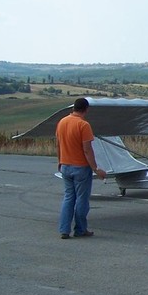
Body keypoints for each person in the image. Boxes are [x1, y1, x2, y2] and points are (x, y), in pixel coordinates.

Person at [56, 97, 107, 239]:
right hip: (80, 168)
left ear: (74, 108)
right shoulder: (83, 125)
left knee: (68, 198)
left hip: (65, 165)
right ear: (86, 109)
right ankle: (80, 229)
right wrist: (95, 168)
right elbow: (87, 149)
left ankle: (64, 230)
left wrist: (60, 161)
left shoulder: (62, 122)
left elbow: (58, 144)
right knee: (82, 200)